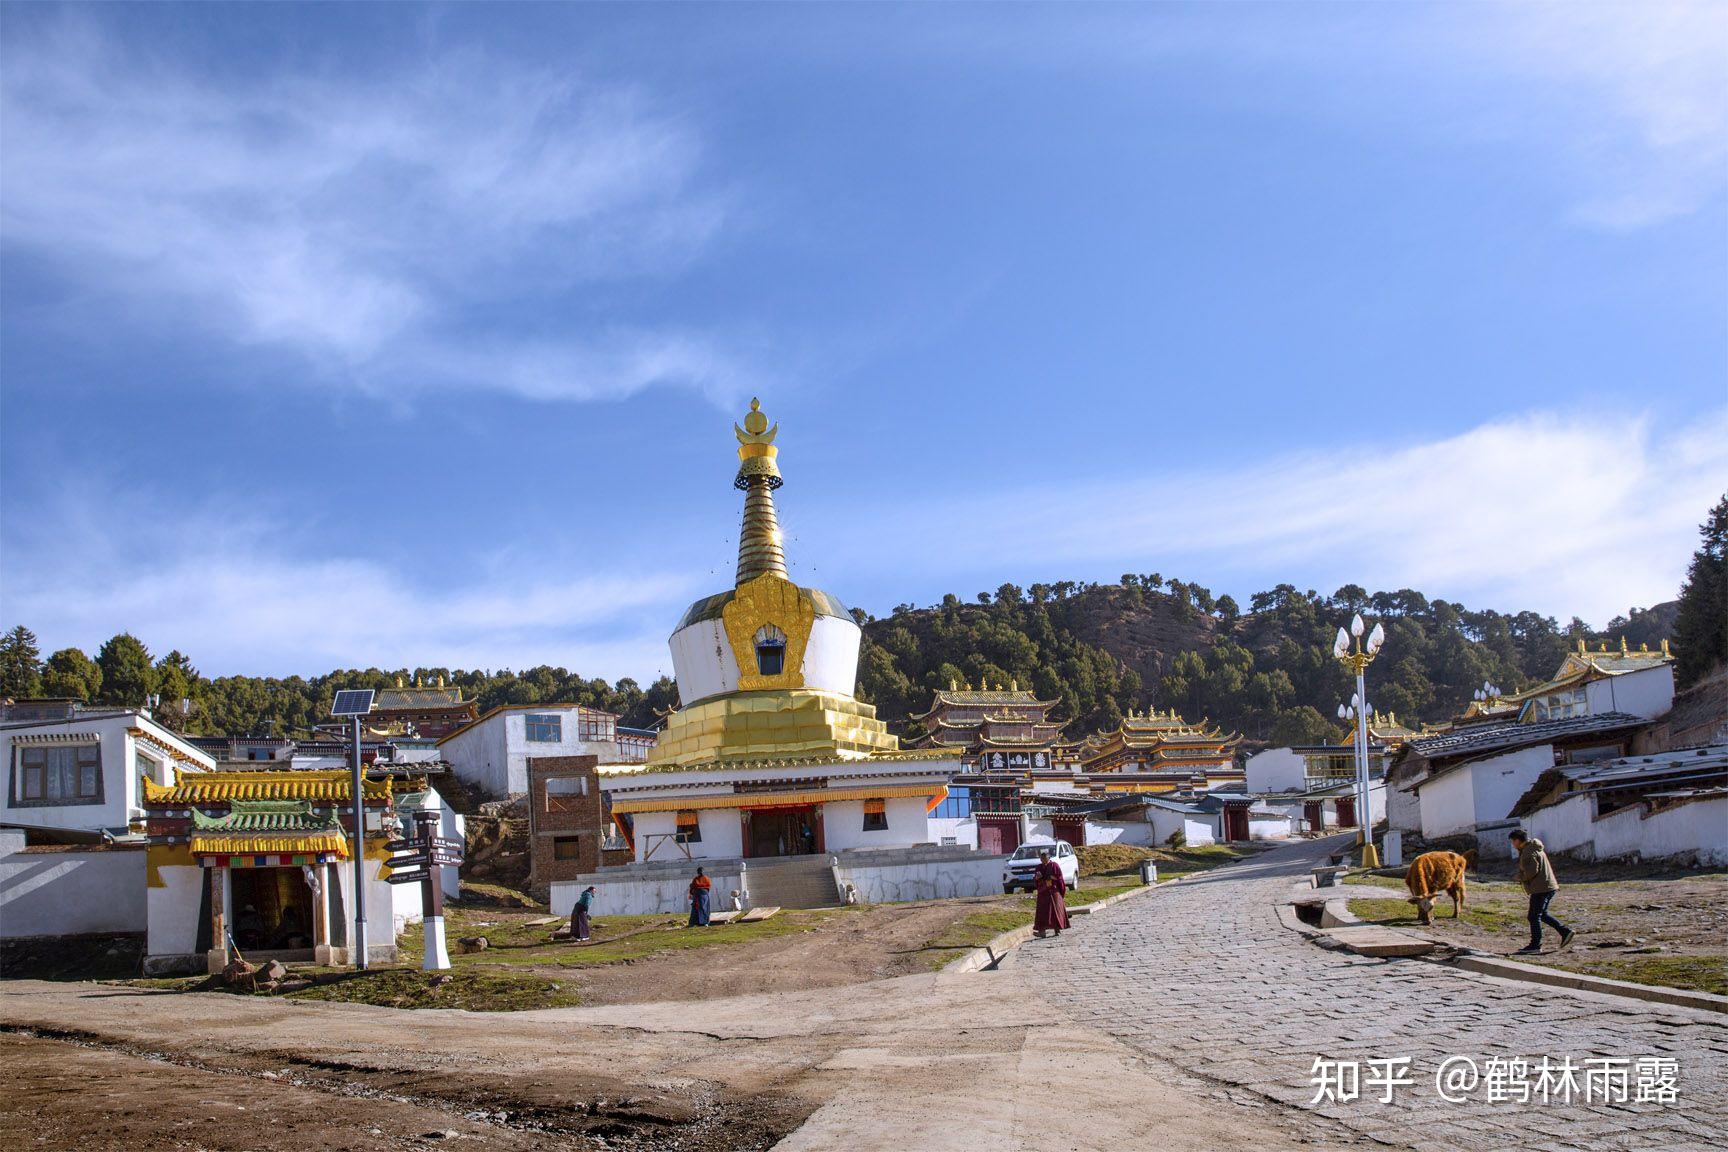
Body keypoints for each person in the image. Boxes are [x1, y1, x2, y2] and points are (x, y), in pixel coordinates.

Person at [1510, 829, 1574, 954]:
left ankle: (1535, 945)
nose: (1512, 844)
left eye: (1513, 841)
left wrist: (1520, 877)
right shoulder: (1534, 847)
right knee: (1541, 914)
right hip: (1547, 886)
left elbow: (1532, 871)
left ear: (1517, 840)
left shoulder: (1528, 852)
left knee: (1533, 916)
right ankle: (1565, 932)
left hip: (1541, 888)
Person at [1032, 848, 1069, 939]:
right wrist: (1037, 878)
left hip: (1053, 891)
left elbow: (1059, 878)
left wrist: (1052, 877)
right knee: (1042, 912)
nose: (1043, 860)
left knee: (1055, 911)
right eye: (1042, 859)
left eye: (1045, 858)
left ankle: (1057, 929)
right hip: (1043, 892)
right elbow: (1036, 880)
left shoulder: (1054, 865)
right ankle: (1042, 931)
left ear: (1049, 858)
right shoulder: (1039, 867)